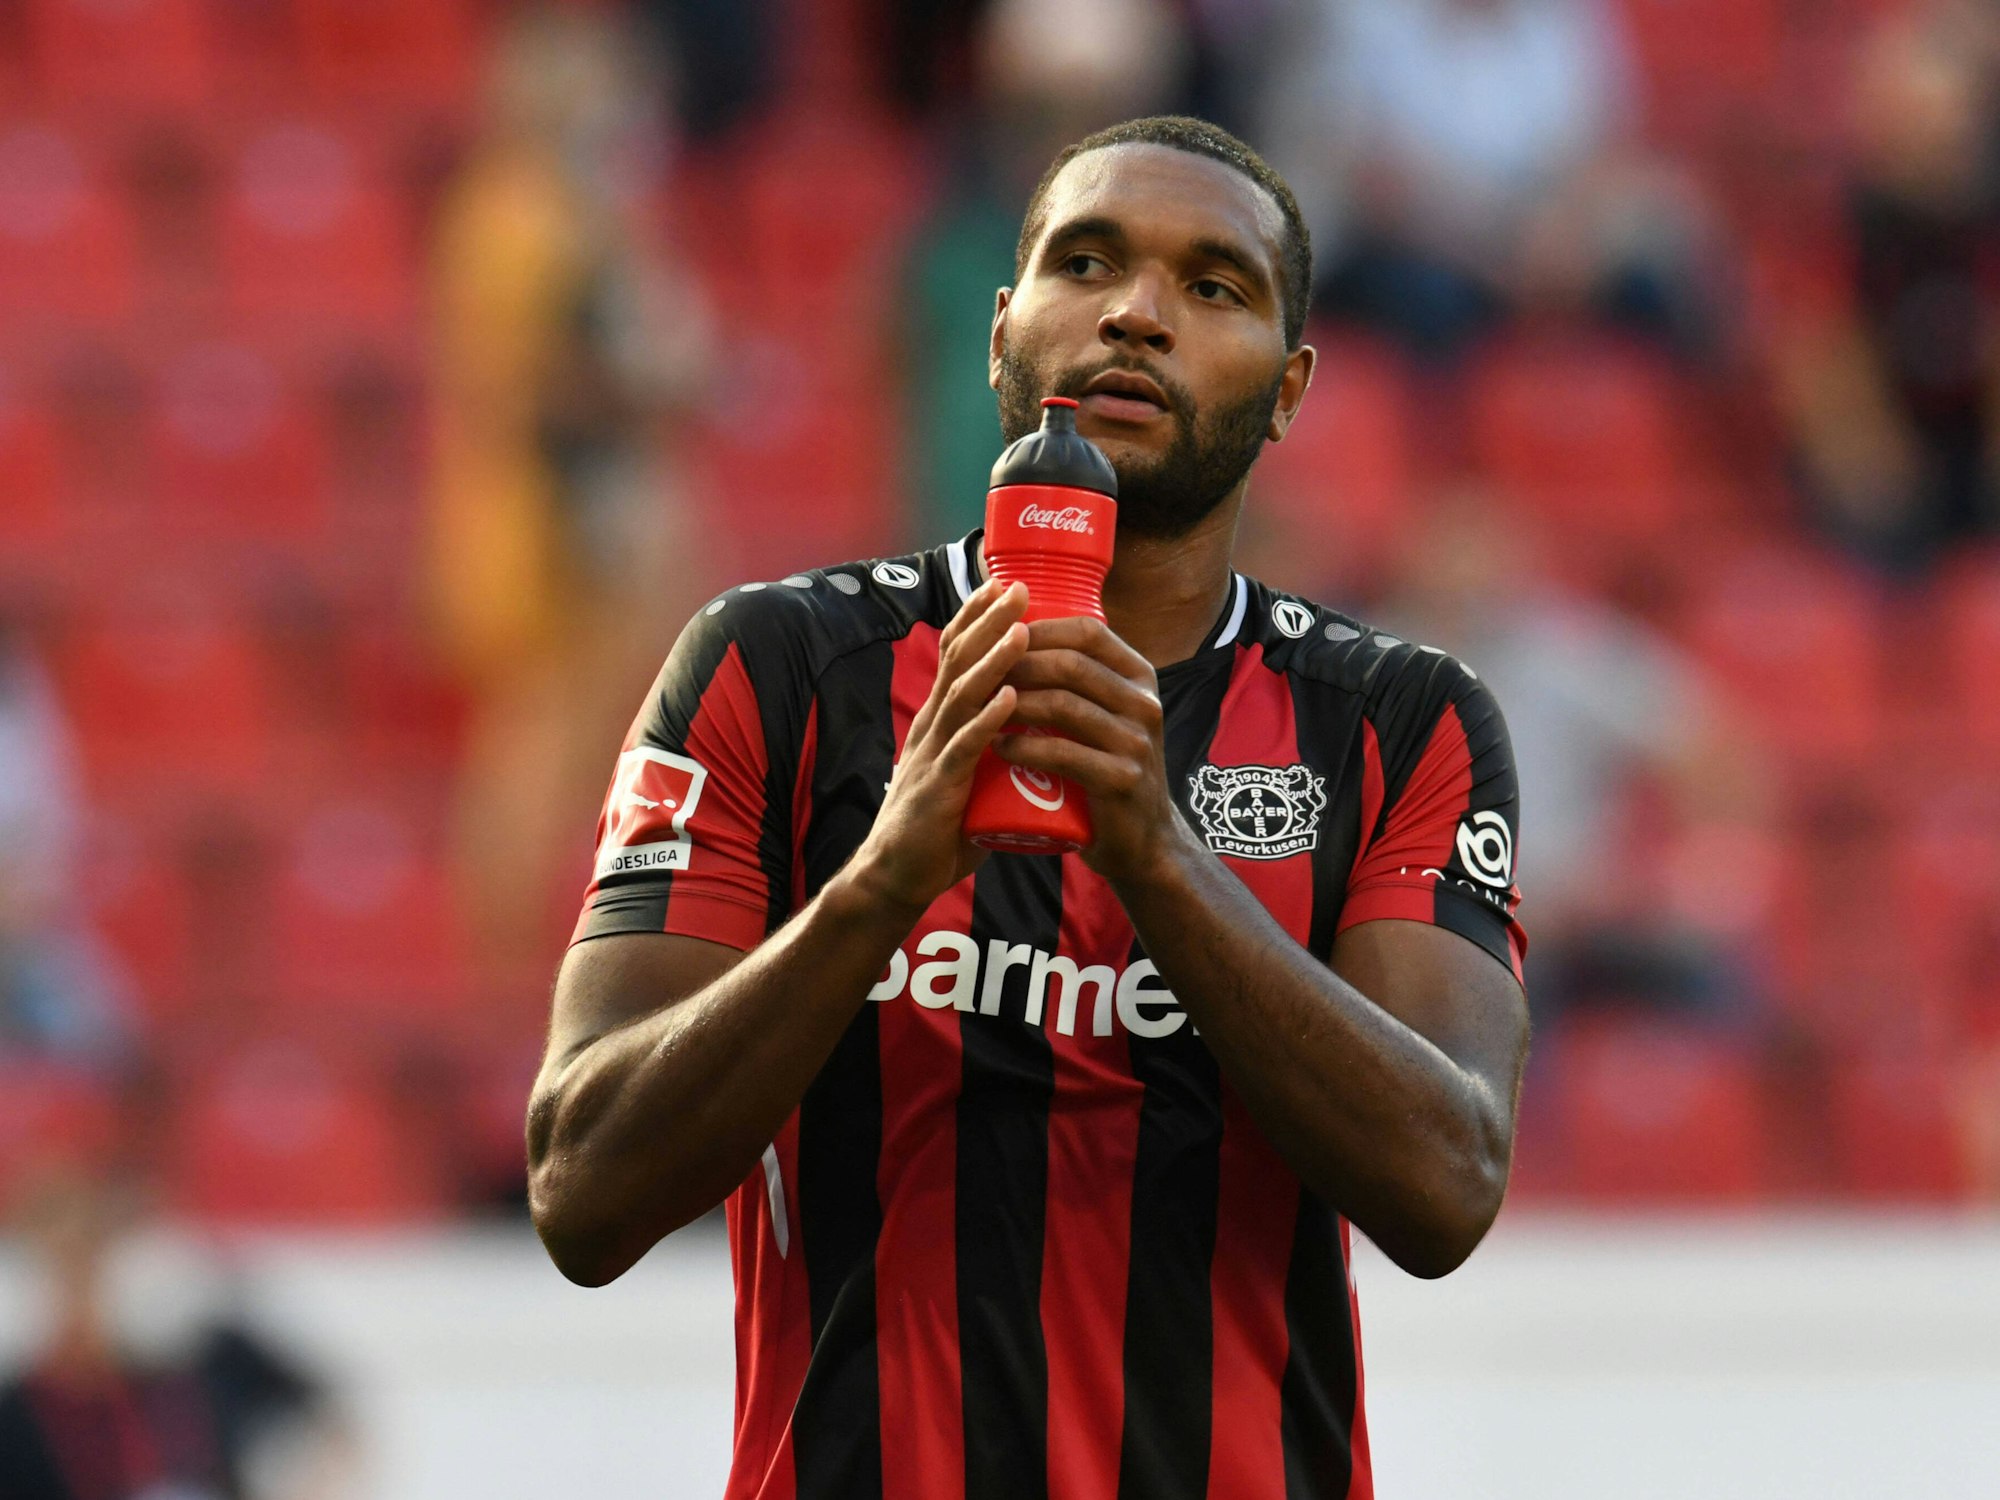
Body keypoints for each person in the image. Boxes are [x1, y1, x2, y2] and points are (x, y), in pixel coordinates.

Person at [527, 116, 1529, 1498]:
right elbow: (581, 1188)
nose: (1136, 314)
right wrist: (882, 881)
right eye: (1087, 263)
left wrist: (1159, 857)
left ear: (1289, 389)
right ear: (1003, 328)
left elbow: (1448, 1184)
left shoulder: (1398, 720)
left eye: (1213, 286)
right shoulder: (775, 669)